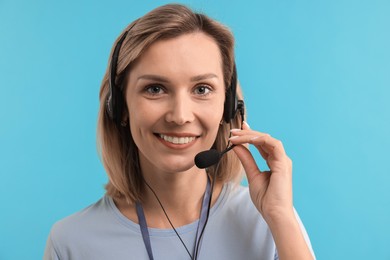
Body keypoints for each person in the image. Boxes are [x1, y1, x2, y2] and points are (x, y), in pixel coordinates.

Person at [44, 4, 315, 260]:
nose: (180, 116)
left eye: (201, 89)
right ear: (120, 106)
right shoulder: (71, 242)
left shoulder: (269, 221)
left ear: (228, 106)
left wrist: (279, 216)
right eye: (155, 89)